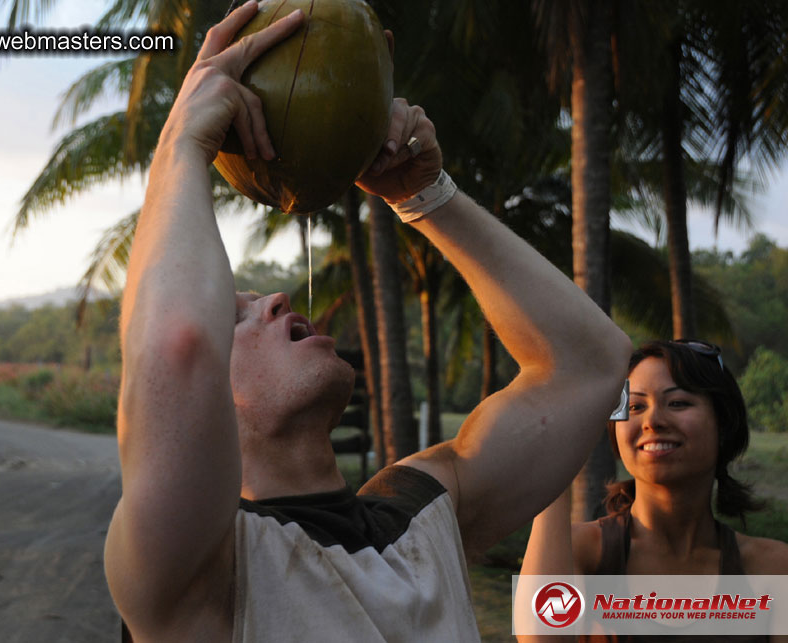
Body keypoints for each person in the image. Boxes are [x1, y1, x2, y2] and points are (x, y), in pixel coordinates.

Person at [103, 2, 632, 641]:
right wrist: (182, 143)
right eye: (233, 315)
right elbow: (177, 346)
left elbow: (591, 364)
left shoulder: (427, 512)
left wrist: (426, 196)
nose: (276, 300)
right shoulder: (192, 566)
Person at [520, 340, 788, 641]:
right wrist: (557, 462)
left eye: (678, 403)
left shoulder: (772, 568)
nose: (652, 421)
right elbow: (539, 637)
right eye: (635, 407)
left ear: (724, 424)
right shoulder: (580, 551)